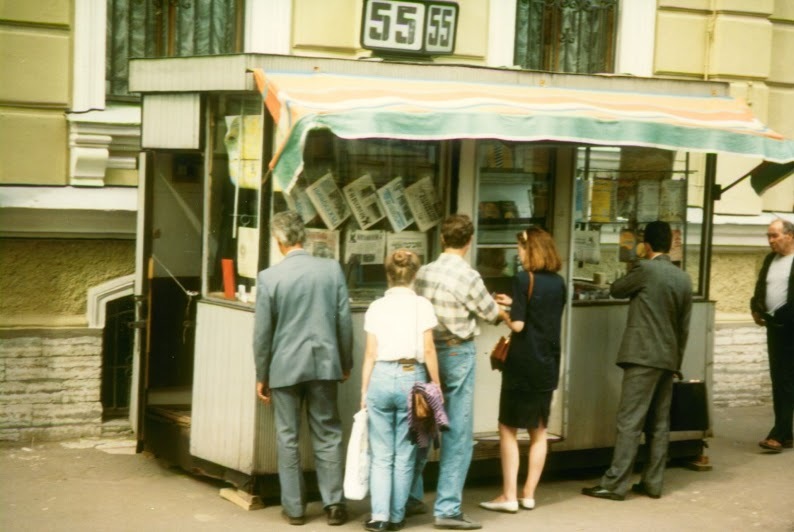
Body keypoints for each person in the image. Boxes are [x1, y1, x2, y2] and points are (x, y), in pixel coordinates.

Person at [253, 211, 353, 526]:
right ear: (304, 237)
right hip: (325, 364)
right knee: (328, 433)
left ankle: (295, 508)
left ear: (279, 241)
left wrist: (262, 374)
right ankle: (334, 504)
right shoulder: (331, 270)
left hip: (284, 367)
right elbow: (344, 322)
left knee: (288, 436)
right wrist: (345, 361)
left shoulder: (269, 277)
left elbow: (263, 335)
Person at [411, 213, 511, 530]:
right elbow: (489, 313)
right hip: (457, 351)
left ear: (442, 239)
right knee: (457, 431)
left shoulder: (423, 273)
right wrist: (504, 309)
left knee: (422, 422)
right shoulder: (469, 276)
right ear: (469, 241)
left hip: (426, 351)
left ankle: (410, 496)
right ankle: (448, 507)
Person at [582, 221, 692, 501]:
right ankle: (653, 483)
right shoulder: (683, 278)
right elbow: (684, 327)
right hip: (667, 358)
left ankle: (615, 483)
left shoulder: (645, 269)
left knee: (629, 421)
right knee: (658, 423)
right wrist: (676, 362)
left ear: (647, 244)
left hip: (642, 356)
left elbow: (617, 289)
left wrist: (635, 261)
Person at [479, 227, 566, 514]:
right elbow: (541, 315)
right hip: (548, 363)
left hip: (522, 363)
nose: (518, 253)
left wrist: (502, 310)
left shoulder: (521, 278)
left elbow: (518, 325)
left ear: (531, 250)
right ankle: (528, 494)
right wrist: (516, 305)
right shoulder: (559, 283)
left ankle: (508, 495)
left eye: (520, 248)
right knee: (539, 430)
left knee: (508, 427)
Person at [360, 249, 443, 532]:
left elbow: (370, 353)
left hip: (381, 377)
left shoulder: (376, 307)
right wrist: (437, 385)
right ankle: (397, 517)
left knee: (381, 454)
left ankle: (379, 517)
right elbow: (429, 349)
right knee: (405, 454)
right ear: (415, 275)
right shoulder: (423, 306)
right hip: (413, 378)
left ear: (388, 274)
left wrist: (364, 390)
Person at [751, 218, 794, 453]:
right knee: (780, 380)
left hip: (791, 327)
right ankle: (784, 432)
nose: (770, 241)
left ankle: (779, 434)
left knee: (786, 380)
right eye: (768, 236)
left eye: (774, 236)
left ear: (790, 236)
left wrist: (781, 315)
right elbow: (760, 287)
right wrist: (756, 308)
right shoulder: (770, 260)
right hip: (775, 328)